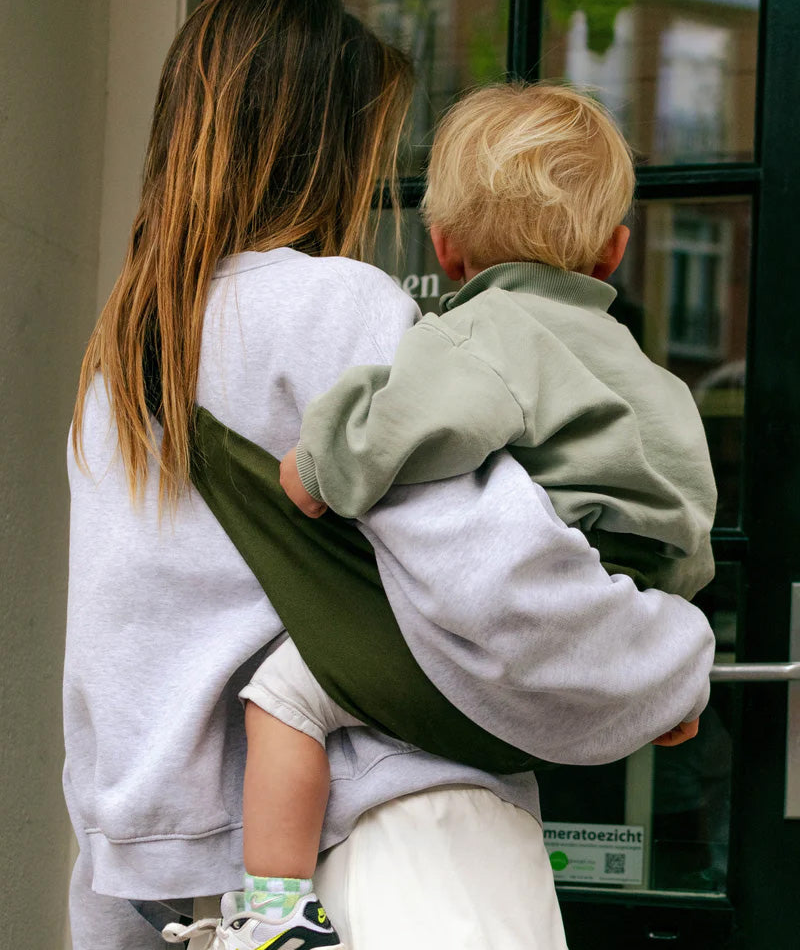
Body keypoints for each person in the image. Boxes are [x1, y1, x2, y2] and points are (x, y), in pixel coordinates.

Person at [64, 0, 715, 949]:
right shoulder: (337, 307)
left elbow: (105, 673)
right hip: (395, 853)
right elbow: (499, 590)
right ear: (328, 149)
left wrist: (104, 914)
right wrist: (675, 663)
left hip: (196, 894)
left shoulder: (122, 358)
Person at [232, 83, 718, 946]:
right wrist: (665, 670)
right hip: (606, 655)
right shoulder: (660, 384)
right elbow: (685, 528)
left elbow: (411, 426)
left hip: (499, 663)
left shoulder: (482, 334)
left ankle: (268, 916)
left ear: (445, 249)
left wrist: (317, 469)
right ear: (614, 250)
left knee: (283, 693)